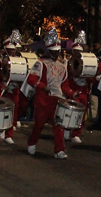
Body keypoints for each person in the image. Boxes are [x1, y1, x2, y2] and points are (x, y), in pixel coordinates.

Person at [26, 28, 72, 159]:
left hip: (57, 99)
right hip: (43, 99)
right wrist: (42, 86)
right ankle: (32, 142)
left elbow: (64, 84)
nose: (56, 53)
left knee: (58, 125)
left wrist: (71, 93)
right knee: (39, 124)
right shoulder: (40, 64)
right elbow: (31, 79)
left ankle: (59, 150)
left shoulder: (62, 66)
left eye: (57, 51)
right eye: (53, 51)